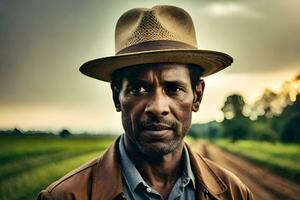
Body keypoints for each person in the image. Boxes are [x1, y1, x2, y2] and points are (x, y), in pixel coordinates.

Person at [38, 5, 253, 200]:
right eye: (138, 89)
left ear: (197, 96)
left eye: (174, 89)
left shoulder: (235, 193)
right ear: (116, 97)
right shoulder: (65, 197)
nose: (157, 108)